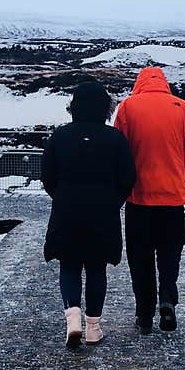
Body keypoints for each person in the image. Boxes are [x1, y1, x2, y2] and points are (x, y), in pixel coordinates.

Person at [42, 80, 136, 348]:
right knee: (97, 267)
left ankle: (72, 316)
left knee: (69, 264)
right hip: (103, 213)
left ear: (74, 107)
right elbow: (128, 178)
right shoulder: (116, 139)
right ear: (105, 108)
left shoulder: (59, 137)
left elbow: (47, 176)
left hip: (67, 211)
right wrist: (113, 201)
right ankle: (93, 327)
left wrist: (61, 197)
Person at [114, 67, 185, 334]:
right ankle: (167, 297)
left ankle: (144, 314)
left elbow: (119, 150)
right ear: (164, 83)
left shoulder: (128, 107)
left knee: (140, 257)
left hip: (139, 199)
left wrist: (126, 182)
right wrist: (180, 175)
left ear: (139, 84)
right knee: (169, 254)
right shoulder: (181, 107)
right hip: (173, 199)